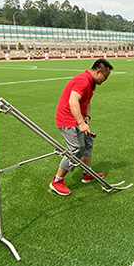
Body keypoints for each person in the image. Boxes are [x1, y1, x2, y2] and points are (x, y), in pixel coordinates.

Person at [50, 58, 113, 196]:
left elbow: (87, 101)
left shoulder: (91, 83)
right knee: (76, 149)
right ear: (98, 72)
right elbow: (73, 100)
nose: (105, 80)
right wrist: (80, 122)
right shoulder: (83, 81)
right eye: (105, 77)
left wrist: (86, 117)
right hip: (67, 119)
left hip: (77, 118)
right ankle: (57, 180)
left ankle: (87, 173)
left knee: (88, 141)